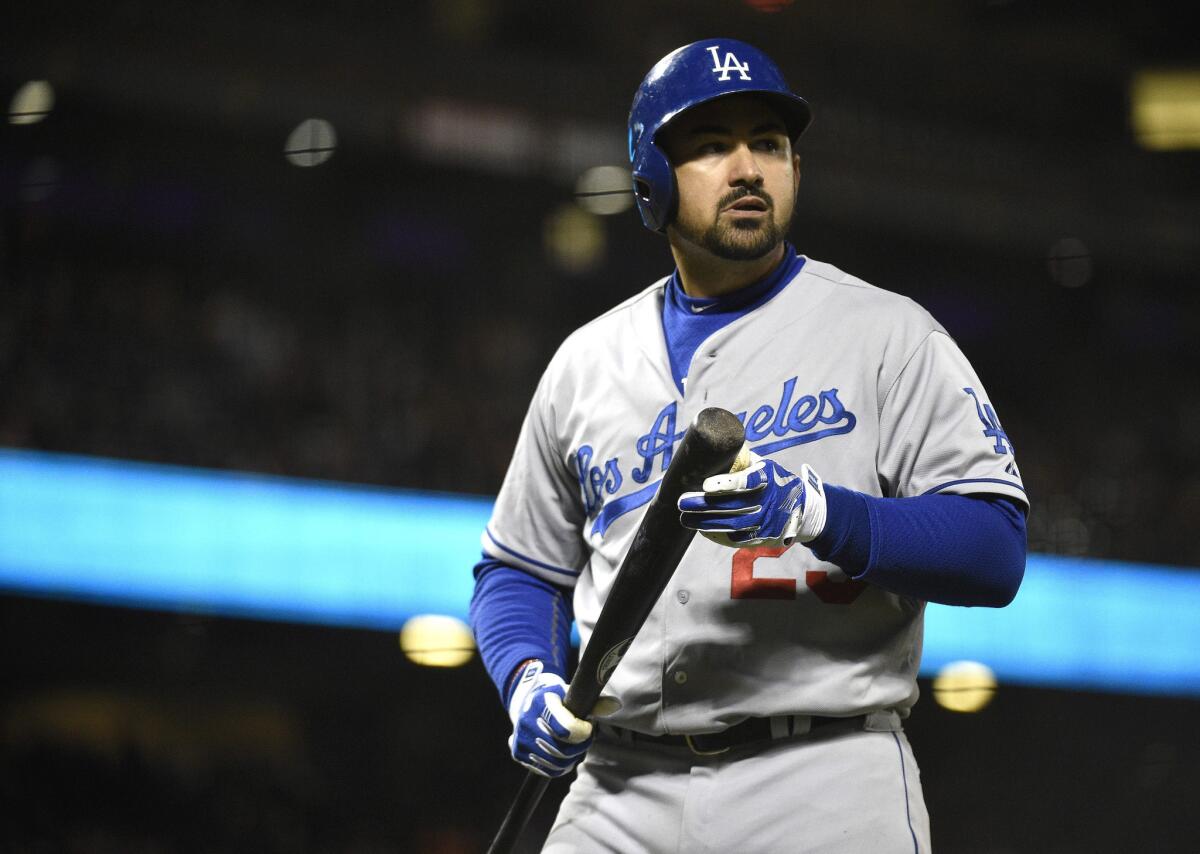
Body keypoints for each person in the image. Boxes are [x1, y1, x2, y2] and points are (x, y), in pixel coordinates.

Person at [470, 38, 1027, 853]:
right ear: (651, 180)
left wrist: (815, 512)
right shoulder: (585, 363)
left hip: (824, 776)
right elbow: (518, 568)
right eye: (710, 146)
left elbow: (993, 548)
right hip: (619, 786)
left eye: (768, 143)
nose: (748, 168)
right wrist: (526, 680)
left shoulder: (887, 333)